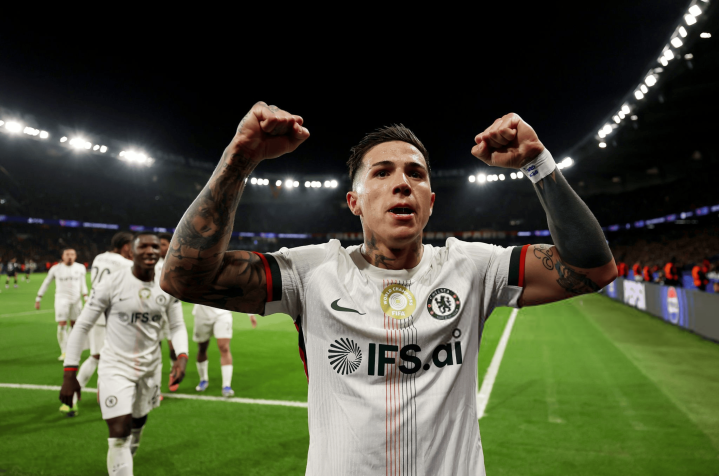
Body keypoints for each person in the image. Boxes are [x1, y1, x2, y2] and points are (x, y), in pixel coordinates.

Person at [159, 103, 617, 475]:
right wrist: (239, 159)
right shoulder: (312, 271)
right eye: (382, 173)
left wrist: (537, 162)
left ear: (430, 202)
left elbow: (592, 269)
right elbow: (183, 277)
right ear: (354, 202)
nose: (402, 183)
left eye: (415, 174)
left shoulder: (473, 267)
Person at [59, 232, 189, 476]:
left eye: (154, 247)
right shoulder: (111, 283)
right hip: (115, 367)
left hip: (151, 367)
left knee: (138, 422)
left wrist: (182, 356)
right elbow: (82, 325)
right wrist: (69, 373)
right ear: (132, 251)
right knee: (119, 432)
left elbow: (177, 325)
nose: (150, 251)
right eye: (143, 246)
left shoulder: (167, 284)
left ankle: (125, 459)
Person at [74, 232, 135, 407]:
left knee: (96, 356)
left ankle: (73, 397)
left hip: (94, 311)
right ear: (125, 246)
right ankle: (108, 396)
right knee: (116, 358)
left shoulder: (99, 258)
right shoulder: (126, 264)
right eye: (132, 246)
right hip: (113, 316)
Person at [192, 304, 257, 397]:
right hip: (202, 314)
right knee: (202, 348)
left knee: (224, 348)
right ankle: (203, 379)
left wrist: (250, 314)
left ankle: (226, 386)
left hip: (223, 313)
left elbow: (240, 294)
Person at [36, 249, 88, 362]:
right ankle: (64, 351)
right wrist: (38, 297)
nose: (70, 256)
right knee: (62, 323)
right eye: (67, 254)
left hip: (76, 300)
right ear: (62, 256)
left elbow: (83, 283)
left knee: (74, 325)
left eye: (72, 254)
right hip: (61, 299)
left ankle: (72, 348)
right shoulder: (56, 269)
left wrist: (86, 296)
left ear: (75, 256)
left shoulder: (80, 268)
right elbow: (46, 282)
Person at [155, 232, 179, 390]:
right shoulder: (151, 263)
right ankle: (154, 385)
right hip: (154, 313)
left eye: (163, 244)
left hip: (169, 312)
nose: (159, 248)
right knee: (154, 349)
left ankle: (174, 373)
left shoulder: (175, 263)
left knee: (173, 348)